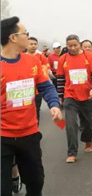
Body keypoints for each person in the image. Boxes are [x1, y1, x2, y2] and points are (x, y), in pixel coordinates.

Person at [1, 16, 63, 196]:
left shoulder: (33, 61)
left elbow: (45, 86)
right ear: (13, 37)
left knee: (36, 183)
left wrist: (54, 105)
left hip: (29, 134)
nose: (28, 37)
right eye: (25, 33)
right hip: (2, 136)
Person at [57, 34, 92, 163]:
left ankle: (88, 140)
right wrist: (60, 96)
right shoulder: (63, 59)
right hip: (70, 96)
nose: (73, 48)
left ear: (80, 44)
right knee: (70, 125)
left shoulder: (89, 56)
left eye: (75, 45)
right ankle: (72, 153)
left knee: (87, 123)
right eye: (70, 46)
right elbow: (60, 79)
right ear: (66, 46)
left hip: (87, 95)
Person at [26, 36, 51, 124]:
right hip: (26, 88)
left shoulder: (40, 57)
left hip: (38, 88)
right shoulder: (21, 56)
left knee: (36, 109)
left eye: (35, 44)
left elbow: (46, 68)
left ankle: (35, 128)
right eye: (31, 44)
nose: (33, 46)